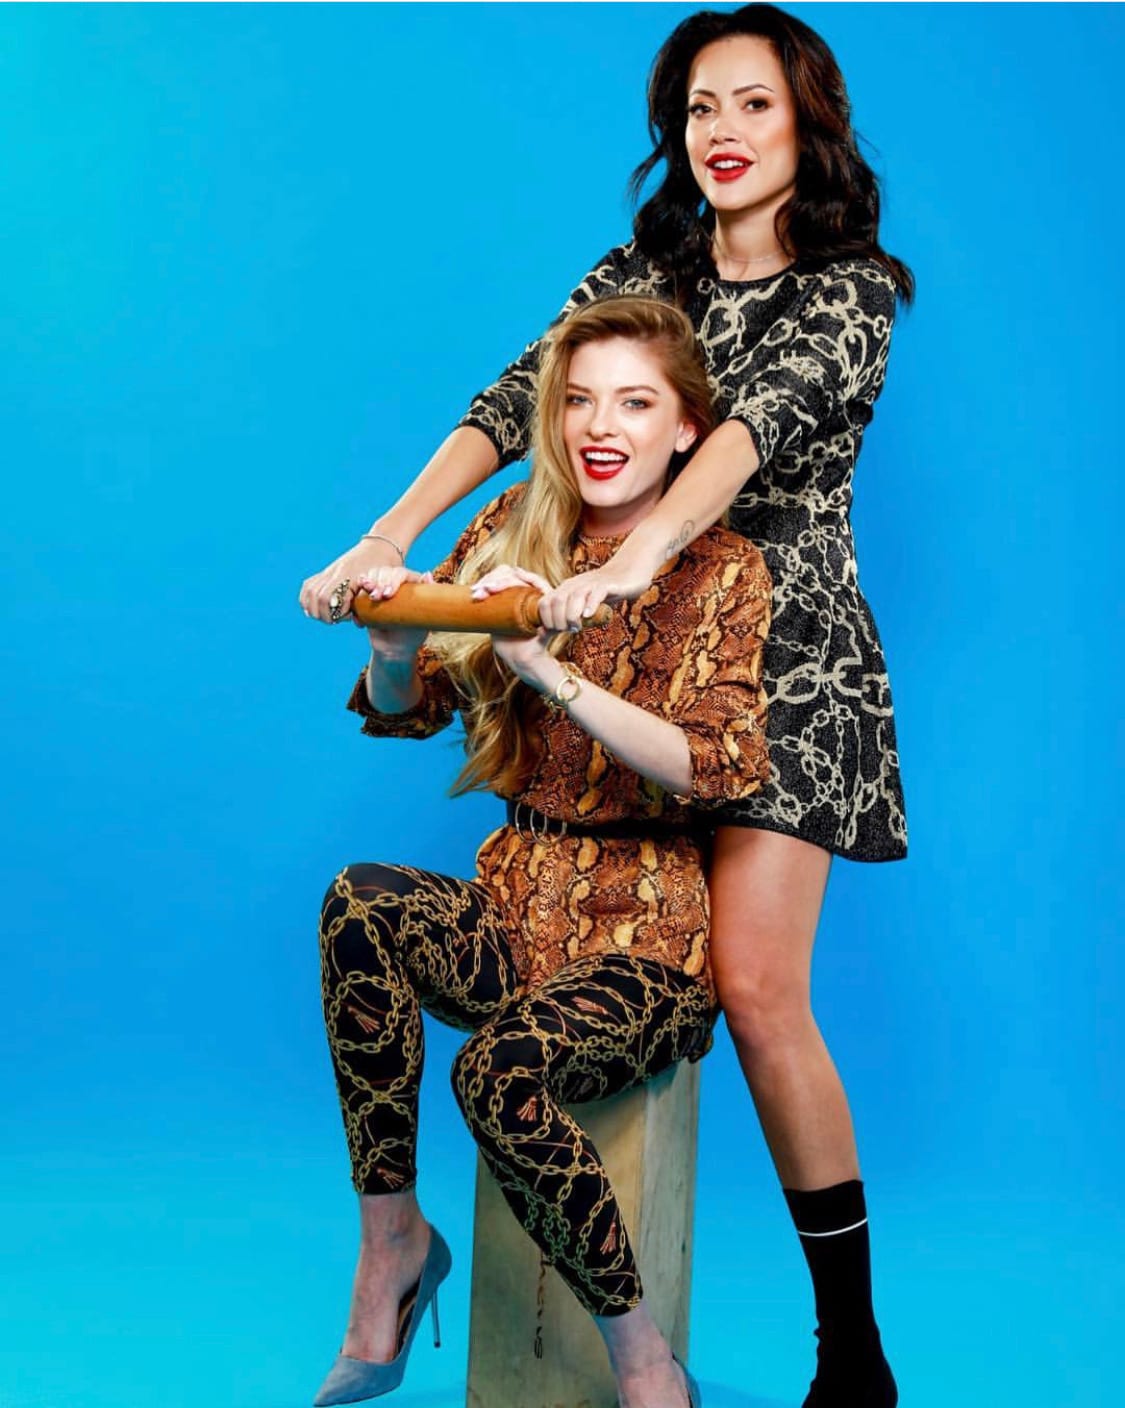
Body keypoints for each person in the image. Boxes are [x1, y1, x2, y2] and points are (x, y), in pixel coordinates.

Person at [301, 8, 911, 1404]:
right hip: (606, 620)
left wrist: (637, 562)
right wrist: (386, 542)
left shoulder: (850, 290)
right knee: (524, 907)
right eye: (700, 108)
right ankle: (480, 1279)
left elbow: (748, 433)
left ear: (809, 125)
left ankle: (852, 1349)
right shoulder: (647, 271)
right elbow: (520, 396)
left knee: (758, 990)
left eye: (754, 104)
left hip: (783, 659)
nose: (723, 132)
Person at [314, 296, 772, 1408]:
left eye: (635, 403)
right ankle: (393, 1240)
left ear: (686, 429)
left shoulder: (727, 569)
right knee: (357, 901)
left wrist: (547, 671)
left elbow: (715, 766)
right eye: (577, 402)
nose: (599, 427)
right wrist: (393, 647)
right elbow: (410, 706)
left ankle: (641, 1354)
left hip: (645, 939)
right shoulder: (517, 520)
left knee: (494, 1072)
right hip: (515, 901)